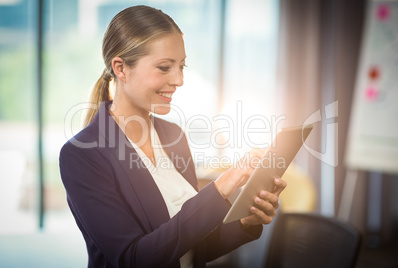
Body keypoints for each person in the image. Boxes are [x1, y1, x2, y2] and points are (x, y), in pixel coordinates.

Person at [59, 5, 286, 268]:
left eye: (181, 66)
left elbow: (189, 247)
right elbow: (133, 259)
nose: (179, 80)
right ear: (121, 68)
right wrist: (220, 188)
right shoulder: (83, 155)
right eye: (165, 67)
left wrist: (246, 222)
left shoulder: (173, 135)